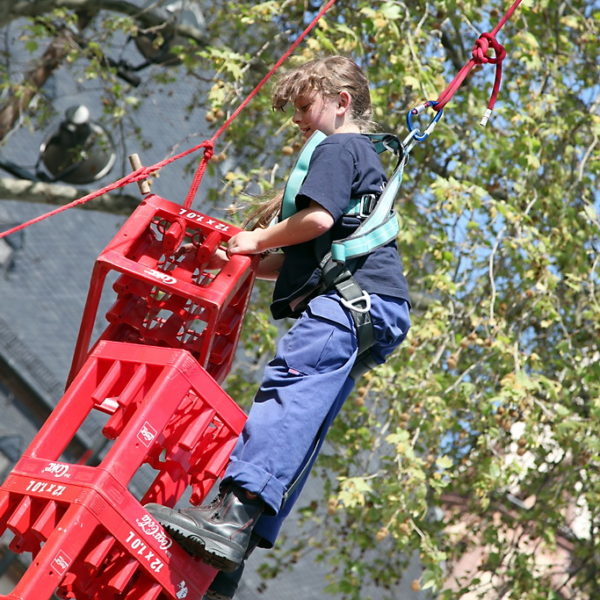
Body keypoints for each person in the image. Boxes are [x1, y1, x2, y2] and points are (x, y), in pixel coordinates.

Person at [146, 55, 411, 599]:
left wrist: (252, 240)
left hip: (347, 304)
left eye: (305, 107)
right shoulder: (361, 157)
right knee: (306, 423)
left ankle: (231, 517)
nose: (298, 122)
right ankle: (234, 551)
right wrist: (243, 261)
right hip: (373, 308)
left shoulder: (338, 147)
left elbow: (314, 221)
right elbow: (301, 253)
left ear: (341, 102)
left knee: (287, 396)